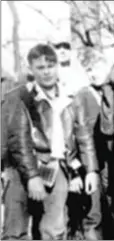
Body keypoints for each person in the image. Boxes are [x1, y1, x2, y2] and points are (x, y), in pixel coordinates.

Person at [5, 44, 99, 240]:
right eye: (40, 67)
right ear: (31, 69)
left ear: (58, 67)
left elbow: (83, 135)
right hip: (23, 167)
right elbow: (19, 140)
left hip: (57, 167)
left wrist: (91, 170)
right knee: (16, 231)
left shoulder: (71, 97)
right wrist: (31, 177)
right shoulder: (21, 97)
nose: (47, 72)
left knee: (54, 229)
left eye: (50, 66)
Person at [66, 48, 113, 240]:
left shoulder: (113, 94)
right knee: (94, 214)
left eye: (98, 68)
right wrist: (76, 170)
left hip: (111, 164)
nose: (94, 74)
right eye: (89, 70)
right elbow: (74, 136)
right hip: (89, 163)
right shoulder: (82, 97)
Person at [1, 84, 45, 240]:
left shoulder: (14, 96)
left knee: (19, 230)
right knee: (16, 230)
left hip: (19, 167)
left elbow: (17, 139)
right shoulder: (12, 96)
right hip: (14, 168)